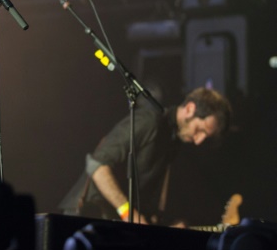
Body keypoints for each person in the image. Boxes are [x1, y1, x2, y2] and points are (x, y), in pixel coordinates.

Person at [59, 86, 232, 225]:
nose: (199, 141)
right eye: (200, 130)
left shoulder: (173, 142)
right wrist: (128, 212)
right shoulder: (149, 121)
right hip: (85, 216)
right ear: (189, 109)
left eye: (205, 136)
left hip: (110, 221)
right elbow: (97, 165)